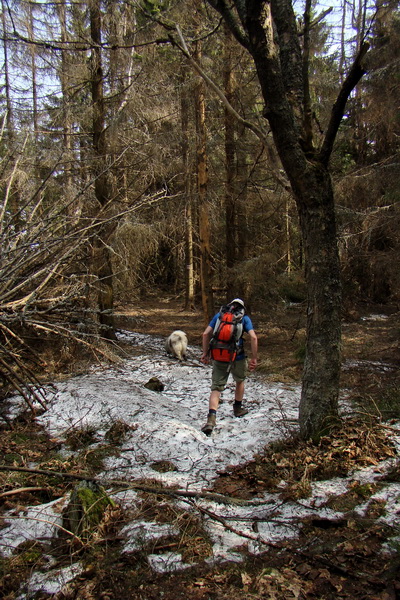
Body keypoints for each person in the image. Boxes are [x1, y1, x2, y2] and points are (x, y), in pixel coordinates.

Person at [200, 298, 258, 435]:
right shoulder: (244, 318)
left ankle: (211, 419)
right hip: (237, 356)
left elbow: (205, 333)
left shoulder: (219, 316)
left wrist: (205, 353)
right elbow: (254, 338)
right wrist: (254, 358)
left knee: (216, 388)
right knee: (240, 381)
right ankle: (238, 408)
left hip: (219, 354)